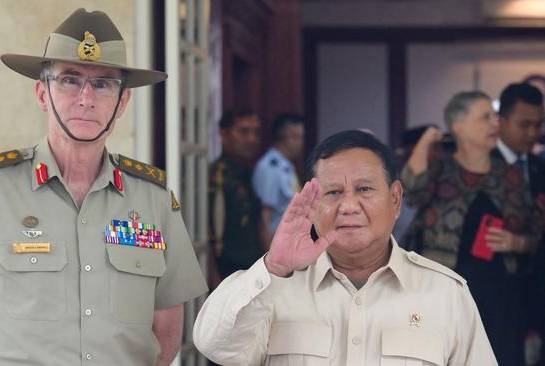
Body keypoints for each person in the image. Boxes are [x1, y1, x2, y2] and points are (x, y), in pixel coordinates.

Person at [0, 9, 207, 366]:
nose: (85, 98)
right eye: (69, 79)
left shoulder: (152, 198)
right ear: (42, 93)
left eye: (103, 84)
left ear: (122, 102)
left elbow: (168, 326)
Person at [194, 130, 497, 365]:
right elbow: (214, 346)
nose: (349, 205)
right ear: (312, 204)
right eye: (334, 192)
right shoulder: (275, 285)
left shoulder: (445, 293)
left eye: (364, 189)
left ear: (395, 200)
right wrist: (273, 267)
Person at [402, 91, 541, 365]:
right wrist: (427, 140)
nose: (494, 124)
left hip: (501, 290)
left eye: (495, 117)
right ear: (459, 127)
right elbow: (412, 191)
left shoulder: (509, 175)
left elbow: (535, 233)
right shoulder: (440, 167)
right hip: (443, 284)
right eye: (485, 117)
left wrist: (517, 243)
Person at [497, 82, 545, 365]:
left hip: (536, 290)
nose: (533, 133)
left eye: (538, 125)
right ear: (501, 121)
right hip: (495, 291)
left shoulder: (540, 167)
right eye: (524, 124)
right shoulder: (481, 167)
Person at [208, 107, 264, 289]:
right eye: (244, 132)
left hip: (254, 270)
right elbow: (207, 235)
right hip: (227, 272)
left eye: (255, 132)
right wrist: (216, 285)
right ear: (224, 134)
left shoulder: (251, 173)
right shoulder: (218, 176)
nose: (252, 139)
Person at [252, 113, 304, 244]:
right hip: (277, 240)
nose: (301, 143)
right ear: (287, 138)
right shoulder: (271, 167)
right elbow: (265, 214)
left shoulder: (285, 166)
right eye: (298, 137)